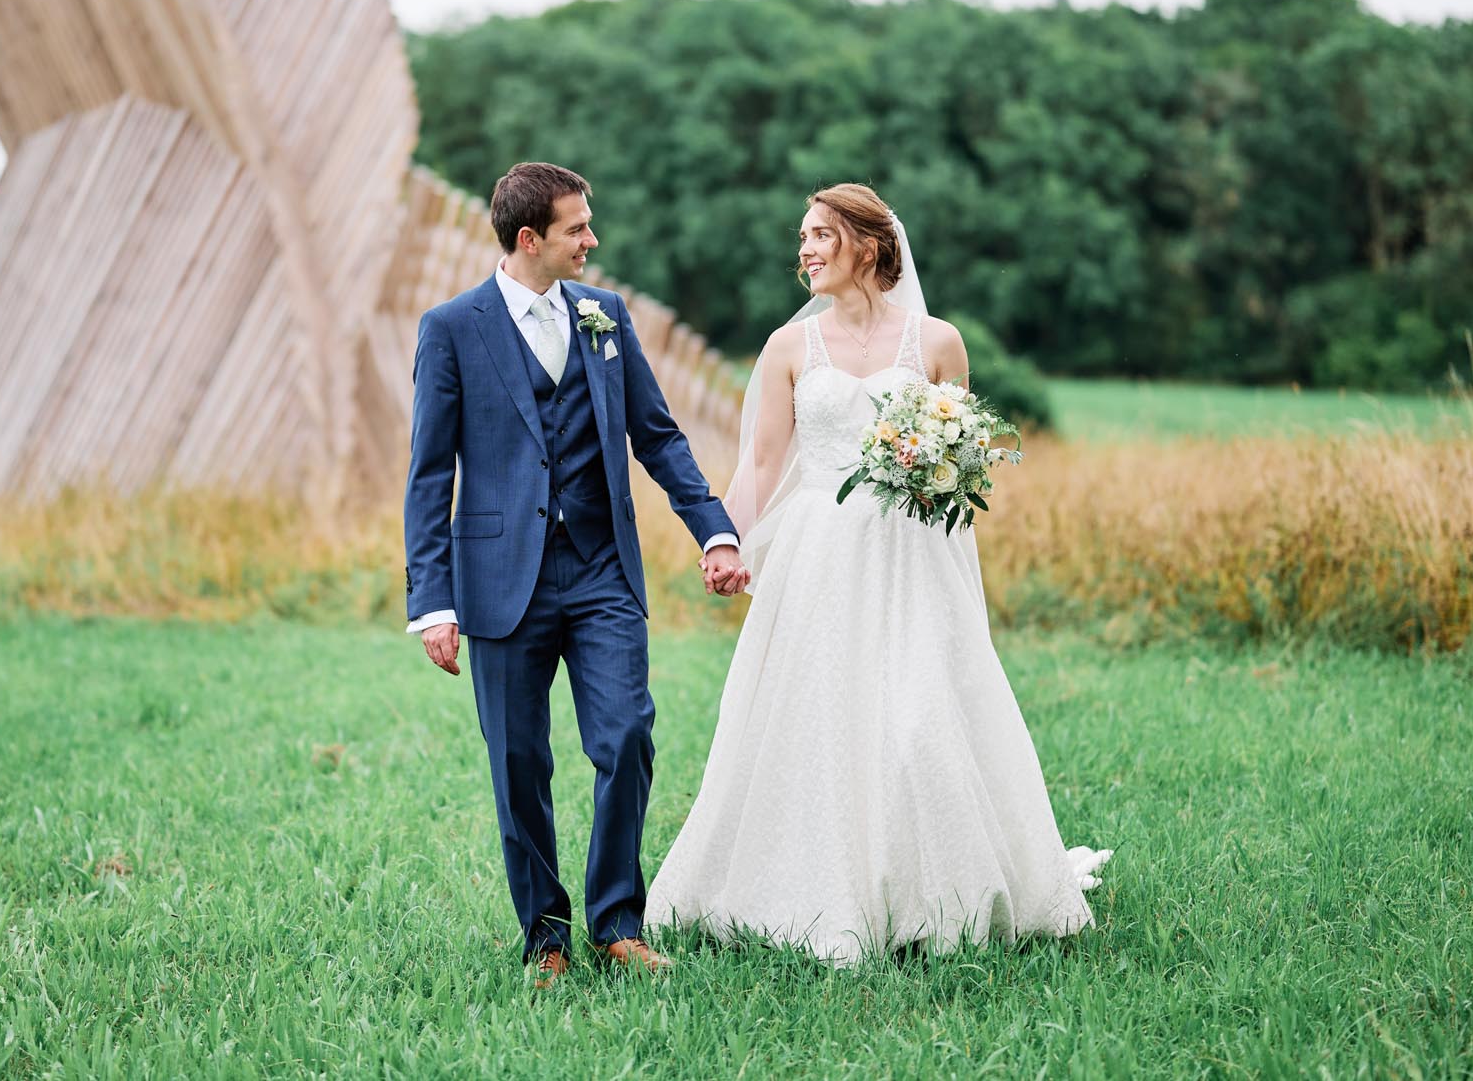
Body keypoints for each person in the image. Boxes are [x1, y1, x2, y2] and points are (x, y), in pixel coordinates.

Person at [644, 182, 1111, 965]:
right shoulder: (789, 349)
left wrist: (939, 469)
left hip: (912, 557)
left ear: (868, 242)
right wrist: (726, 540)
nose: (806, 249)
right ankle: (809, 890)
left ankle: (940, 894)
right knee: (818, 720)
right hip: (820, 557)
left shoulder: (936, 342)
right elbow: (763, 463)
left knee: (921, 718)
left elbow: (964, 459)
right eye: (802, 238)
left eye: (821, 234)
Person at [403, 161, 750, 990]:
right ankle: (545, 935)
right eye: (577, 229)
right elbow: (428, 475)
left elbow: (657, 436)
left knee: (626, 734)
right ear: (531, 239)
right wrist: (432, 602)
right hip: (499, 581)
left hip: (601, 572)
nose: (592, 241)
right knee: (518, 763)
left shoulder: (606, 316)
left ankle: (618, 921)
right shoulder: (453, 327)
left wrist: (716, 529)